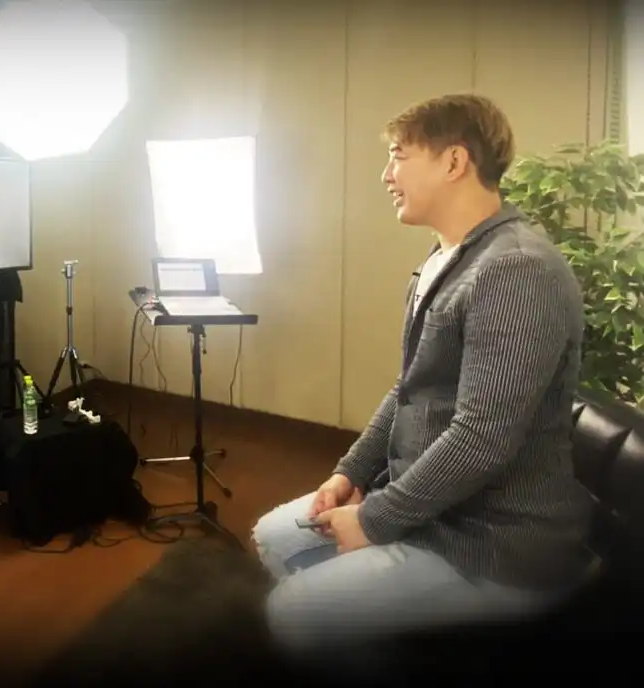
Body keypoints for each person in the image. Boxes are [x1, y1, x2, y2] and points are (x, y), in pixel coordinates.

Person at [251, 94, 592, 657]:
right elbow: (408, 389)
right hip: (439, 510)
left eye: (398, 156)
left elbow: (481, 437)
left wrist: (376, 519)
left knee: (290, 612)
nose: (386, 175)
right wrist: (350, 471)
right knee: (273, 537)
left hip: (497, 543)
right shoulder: (446, 260)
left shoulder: (516, 269)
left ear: (454, 161)